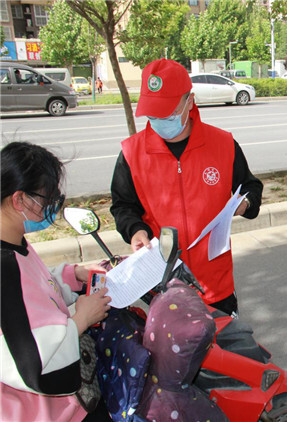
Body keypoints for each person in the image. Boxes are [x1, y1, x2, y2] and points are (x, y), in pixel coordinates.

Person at [110, 59, 263, 317]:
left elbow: (251, 187)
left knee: (223, 353)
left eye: (167, 112)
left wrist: (245, 203)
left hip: (216, 286)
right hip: (163, 287)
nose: (159, 120)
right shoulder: (131, 153)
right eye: (153, 113)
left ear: (189, 101)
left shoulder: (223, 144)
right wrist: (135, 230)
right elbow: (123, 206)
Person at [0, 142, 112, 421]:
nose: (52, 206)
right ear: (19, 200)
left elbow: (35, 291)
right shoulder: (4, 269)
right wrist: (81, 320)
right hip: (41, 411)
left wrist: (71, 275)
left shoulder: (14, 242)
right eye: (47, 199)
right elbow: (33, 364)